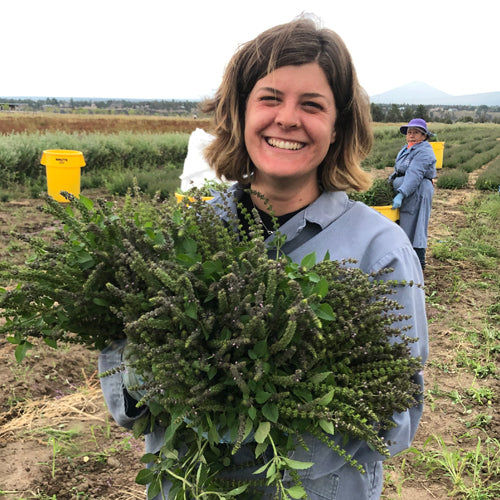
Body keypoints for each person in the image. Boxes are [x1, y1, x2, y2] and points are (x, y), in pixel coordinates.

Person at [99, 16, 429, 500]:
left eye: (312, 105)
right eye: (270, 98)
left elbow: (398, 417)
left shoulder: (380, 251)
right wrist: (149, 376)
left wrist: (249, 423)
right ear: (240, 112)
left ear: (337, 128)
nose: (288, 119)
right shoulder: (184, 235)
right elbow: (124, 382)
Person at [390, 118, 437, 270]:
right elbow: (399, 170)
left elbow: (414, 174)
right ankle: (407, 261)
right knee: (405, 225)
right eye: (409, 132)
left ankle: (419, 264)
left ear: (424, 136)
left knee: (416, 226)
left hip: (418, 191)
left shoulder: (424, 150)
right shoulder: (406, 148)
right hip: (409, 190)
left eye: (416, 132)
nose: (411, 135)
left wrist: (401, 194)